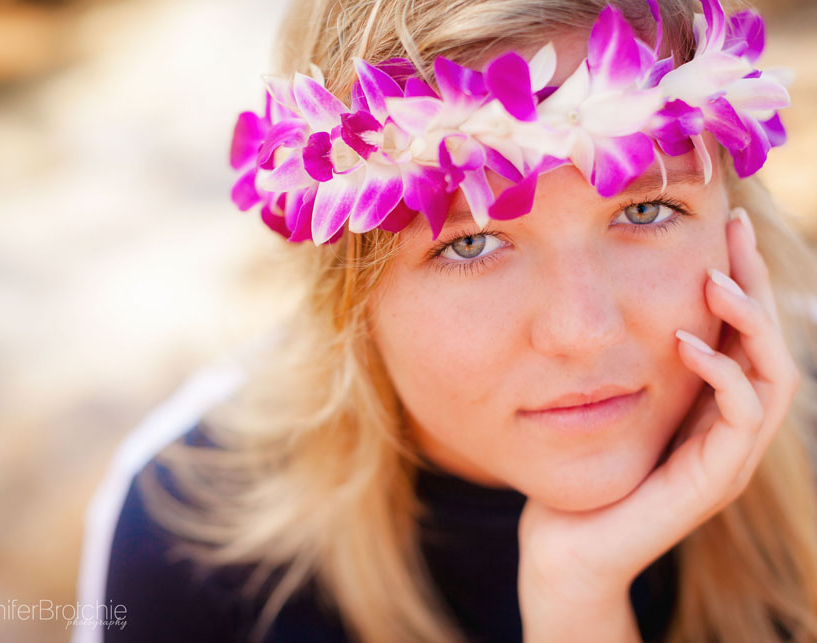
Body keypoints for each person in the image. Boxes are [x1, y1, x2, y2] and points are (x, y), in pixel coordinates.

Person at [74, 0, 817, 641]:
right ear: (351, 292)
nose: (583, 330)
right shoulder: (186, 546)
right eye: (471, 244)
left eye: (647, 208)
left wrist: (581, 602)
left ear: (735, 220)